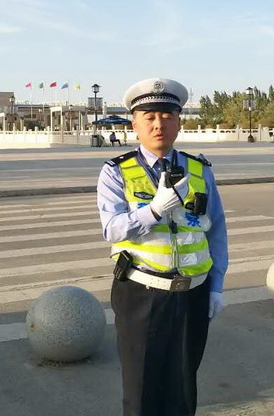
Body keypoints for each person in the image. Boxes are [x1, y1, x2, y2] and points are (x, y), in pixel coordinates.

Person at [97, 77, 229, 416]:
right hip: (141, 292)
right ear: (134, 124)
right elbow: (112, 229)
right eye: (150, 117)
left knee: (183, 386)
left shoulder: (199, 169)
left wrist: (216, 286)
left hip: (193, 292)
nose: (159, 124)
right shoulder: (116, 172)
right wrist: (153, 210)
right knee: (141, 388)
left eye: (168, 116)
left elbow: (216, 229)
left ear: (179, 121)